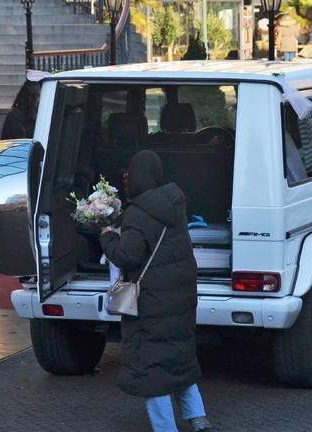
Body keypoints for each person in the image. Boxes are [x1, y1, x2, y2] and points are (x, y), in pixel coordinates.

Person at [100, 150, 212, 432]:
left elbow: (127, 255)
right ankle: (199, 420)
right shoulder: (173, 204)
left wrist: (107, 238)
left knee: (152, 370)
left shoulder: (138, 212)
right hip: (179, 296)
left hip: (151, 303)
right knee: (179, 359)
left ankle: (166, 428)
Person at [0, 70, 50, 140]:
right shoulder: (15, 117)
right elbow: (20, 146)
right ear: (31, 96)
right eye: (39, 96)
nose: (43, 100)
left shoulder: (45, 115)